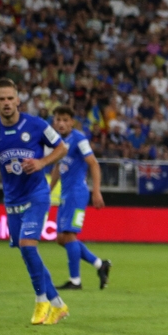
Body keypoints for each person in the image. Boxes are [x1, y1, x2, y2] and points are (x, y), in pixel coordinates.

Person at [0, 78, 71, 325]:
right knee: (26, 251)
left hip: (37, 195)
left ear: (18, 100)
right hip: (12, 200)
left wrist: (43, 163)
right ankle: (58, 305)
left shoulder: (36, 125)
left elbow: (62, 148)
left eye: (10, 98)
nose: (6, 103)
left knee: (26, 243)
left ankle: (41, 300)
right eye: (1, 99)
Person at [50, 106, 112, 290]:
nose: (61, 123)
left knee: (69, 235)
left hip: (77, 193)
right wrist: (48, 189)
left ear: (72, 122)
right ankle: (100, 264)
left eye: (65, 120)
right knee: (61, 238)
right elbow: (56, 167)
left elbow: (93, 163)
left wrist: (97, 191)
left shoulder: (79, 139)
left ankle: (75, 281)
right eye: (58, 119)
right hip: (65, 194)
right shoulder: (58, 142)